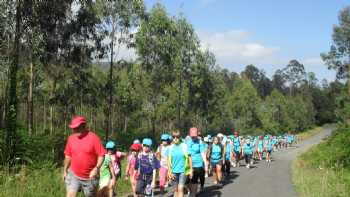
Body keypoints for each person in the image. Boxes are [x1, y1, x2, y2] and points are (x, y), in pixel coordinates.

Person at [63, 116, 106, 197]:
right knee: (70, 194)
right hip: (74, 174)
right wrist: (65, 170)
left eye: (76, 128)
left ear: (83, 126)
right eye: (73, 128)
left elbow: (101, 155)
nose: (74, 130)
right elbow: (68, 155)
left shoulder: (93, 138)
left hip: (89, 177)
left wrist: (96, 168)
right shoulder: (71, 138)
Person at [168, 131, 193, 197]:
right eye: (173, 137)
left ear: (180, 138)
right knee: (175, 190)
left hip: (183, 171)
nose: (175, 138)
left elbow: (189, 158)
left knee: (180, 188)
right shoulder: (170, 147)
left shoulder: (184, 146)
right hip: (173, 171)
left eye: (177, 137)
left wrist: (191, 170)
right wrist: (169, 171)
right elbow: (168, 160)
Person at [186, 127, 207, 195]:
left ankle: (199, 188)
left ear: (197, 135)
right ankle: (192, 191)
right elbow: (188, 155)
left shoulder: (200, 142)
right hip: (190, 164)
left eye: (194, 136)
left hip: (199, 164)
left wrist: (206, 164)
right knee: (188, 181)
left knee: (199, 178)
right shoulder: (188, 142)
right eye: (192, 136)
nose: (193, 138)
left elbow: (203, 154)